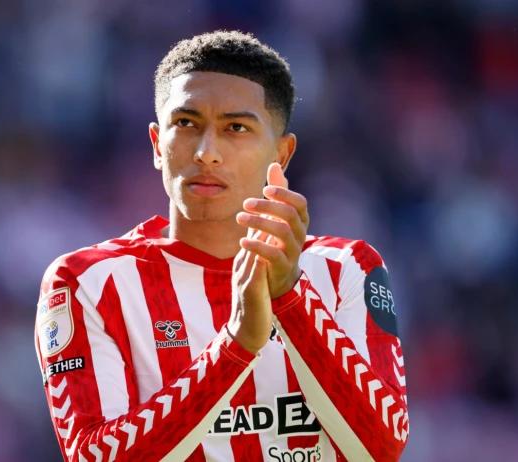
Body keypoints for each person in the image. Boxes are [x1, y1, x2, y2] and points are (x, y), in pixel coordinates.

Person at [34, 30, 409, 462]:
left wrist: (290, 296)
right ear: (157, 144)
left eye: (236, 128)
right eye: (187, 124)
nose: (207, 153)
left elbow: (380, 446)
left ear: (282, 155)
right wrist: (236, 346)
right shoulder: (88, 282)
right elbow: (93, 456)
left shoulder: (347, 269)